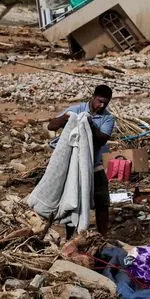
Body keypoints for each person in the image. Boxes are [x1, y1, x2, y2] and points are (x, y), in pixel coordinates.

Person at [47, 84, 114, 239]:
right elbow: (51, 126)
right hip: (73, 167)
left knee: (102, 202)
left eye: (105, 102)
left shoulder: (108, 118)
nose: (102, 105)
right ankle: (71, 237)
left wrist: (89, 123)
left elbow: (102, 139)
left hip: (94, 166)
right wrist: (66, 117)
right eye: (99, 101)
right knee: (73, 200)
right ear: (93, 97)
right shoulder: (77, 109)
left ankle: (103, 237)